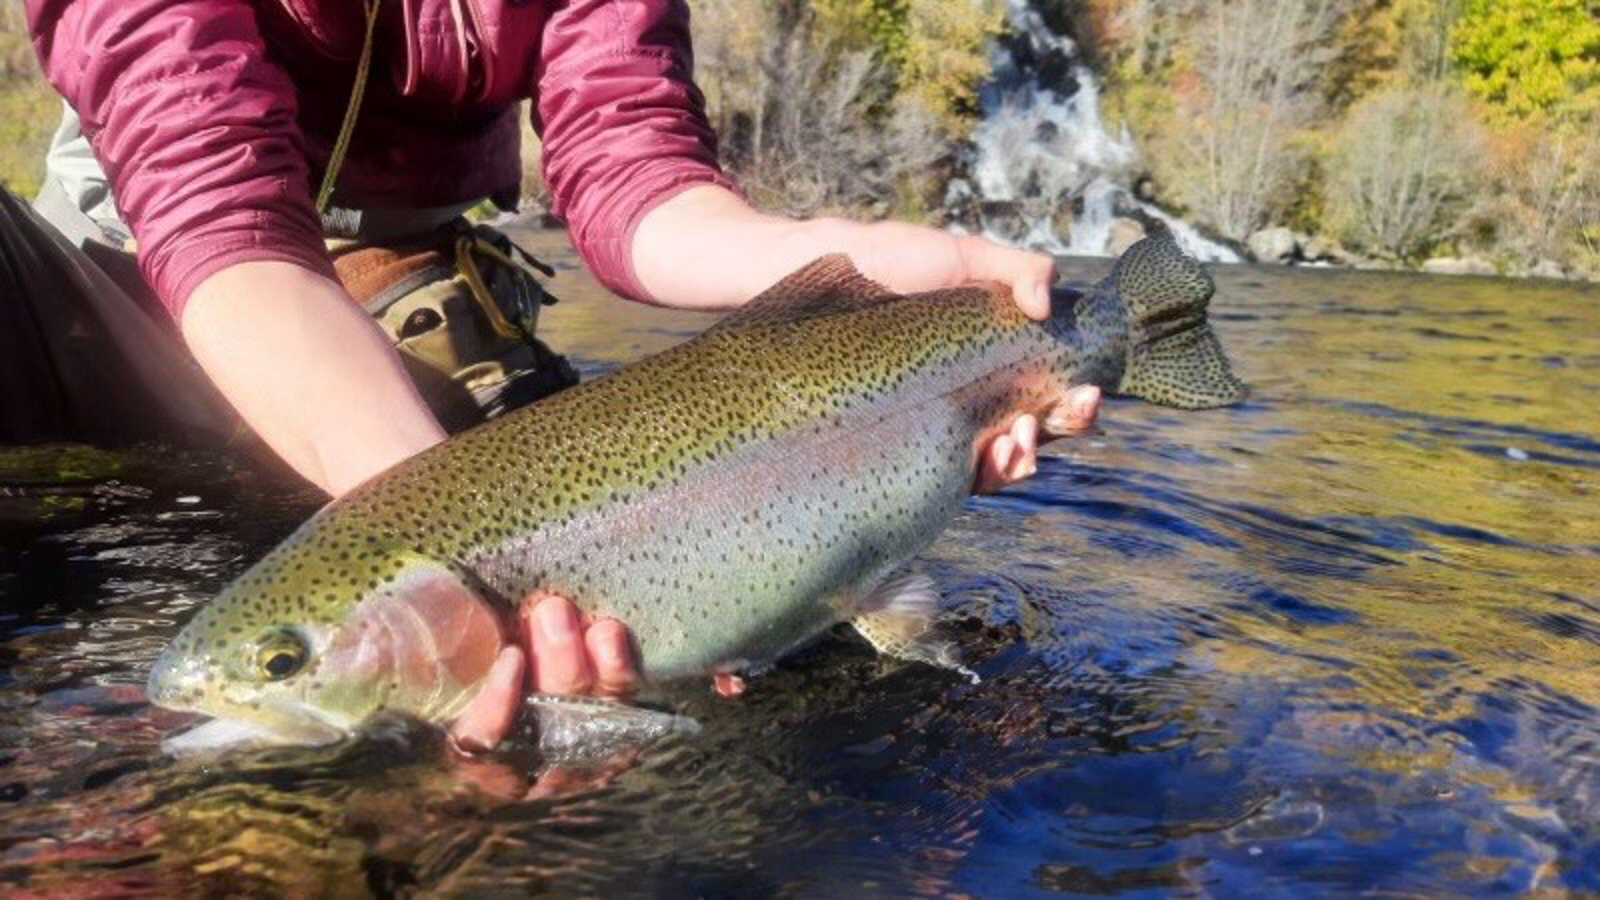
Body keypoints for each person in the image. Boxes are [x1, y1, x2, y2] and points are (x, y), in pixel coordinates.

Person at [19, 0, 1102, 751]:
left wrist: (850, 268)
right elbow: (219, 213)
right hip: (107, 284)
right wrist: (445, 545)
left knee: (739, 682)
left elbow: (636, 176)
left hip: (405, 304)